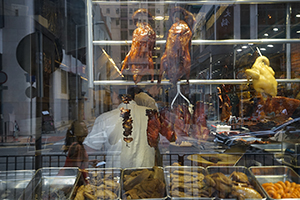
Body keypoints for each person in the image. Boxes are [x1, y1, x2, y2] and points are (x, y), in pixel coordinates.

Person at [84, 91, 157, 168]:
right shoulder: (152, 114)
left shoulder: (105, 118)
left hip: (116, 175)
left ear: (115, 95)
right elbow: (162, 143)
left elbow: (90, 149)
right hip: (147, 174)